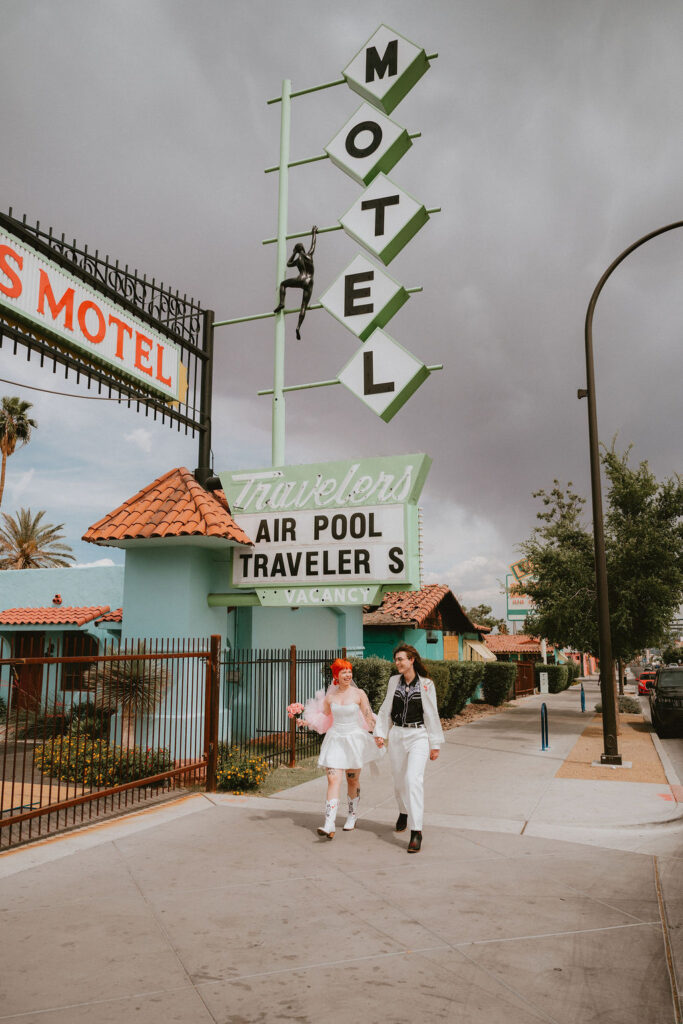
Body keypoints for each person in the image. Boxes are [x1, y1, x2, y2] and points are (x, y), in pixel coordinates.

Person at [373, 644, 444, 853]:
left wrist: (435, 744)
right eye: (396, 660)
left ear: (412, 660)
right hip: (397, 735)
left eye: (401, 659)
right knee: (399, 780)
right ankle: (403, 811)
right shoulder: (393, 681)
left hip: (418, 736)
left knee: (413, 780)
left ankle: (416, 831)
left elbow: (432, 714)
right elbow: (386, 708)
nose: (398, 663)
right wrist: (380, 733)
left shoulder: (426, 684)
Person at [300, 658, 382, 839]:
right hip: (335, 740)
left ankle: (352, 815)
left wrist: (378, 734)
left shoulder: (359, 694)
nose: (347, 675)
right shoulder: (330, 698)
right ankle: (329, 823)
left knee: (352, 780)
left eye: (349, 671)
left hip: (354, 740)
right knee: (332, 780)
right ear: (336, 675)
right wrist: (307, 721)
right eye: (343, 672)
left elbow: (368, 717)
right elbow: (324, 719)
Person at [273, 225, 318, 339]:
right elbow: (313, 244)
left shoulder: (298, 260)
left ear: (297, 250)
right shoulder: (309, 255)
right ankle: (298, 326)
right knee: (303, 306)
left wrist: (293, 253)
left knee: (283, 284)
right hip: (309, 282)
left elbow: (288, 263)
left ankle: (282, 303)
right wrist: (313, 233)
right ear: (303, 248)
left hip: (300, 279)